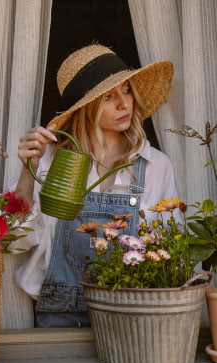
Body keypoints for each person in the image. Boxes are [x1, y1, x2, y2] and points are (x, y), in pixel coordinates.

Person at [14, 44, 177, 327]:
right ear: (85, 107)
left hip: (132, 318)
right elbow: (16, 241)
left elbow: (168, 249)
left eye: (127, 90)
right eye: (109, 97)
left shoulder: (155, 166)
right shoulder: (51, 163)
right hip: (59, 319)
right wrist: (28, 170)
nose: (124, 104)